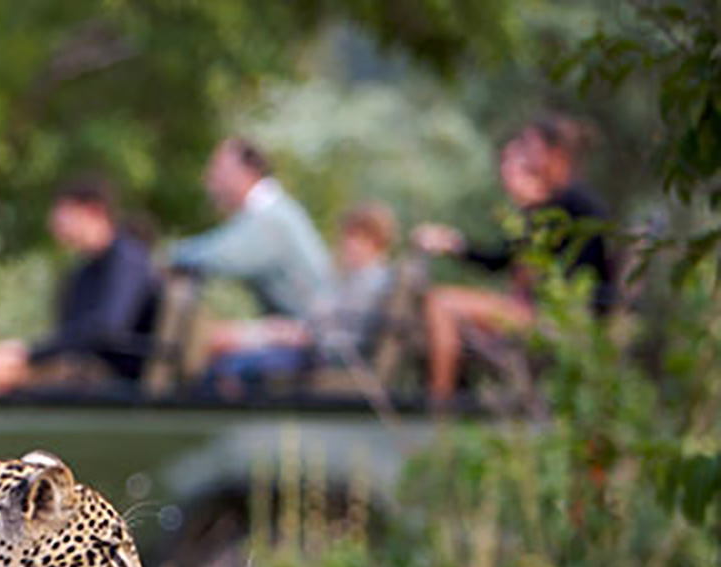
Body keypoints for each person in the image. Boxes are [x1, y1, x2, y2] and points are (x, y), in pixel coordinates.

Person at [412, 128, 614, 401]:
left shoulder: (571, 205)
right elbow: (501, 260)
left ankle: (439, 405)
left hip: (557, 317)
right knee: (445, 306)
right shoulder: (547, 207)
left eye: (529, 152)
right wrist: (454, 243)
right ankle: (454, 396)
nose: (523, 162)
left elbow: (577, 273)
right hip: (541, 311)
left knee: (441, 302)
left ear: (555, 155)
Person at [0, 177, 156, 393]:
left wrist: (25, 354)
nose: (55, 222)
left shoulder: (126, 259)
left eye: (65, 212)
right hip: (81, 366)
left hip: (112, 373)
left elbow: (106, 329)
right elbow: (71, 332)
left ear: (94, 211)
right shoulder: (84, 271)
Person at [201, 200, 397, 393]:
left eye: (357, 238)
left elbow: (339, 339)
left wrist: (303, 336)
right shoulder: (356, 279)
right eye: (347, 237)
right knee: (236, 355)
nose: (348, 245)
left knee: (234, 366)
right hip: (314, 350)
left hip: (321, 359)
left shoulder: (370, 281)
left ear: (376, 242)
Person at [169, 137, 334, 323]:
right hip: (299, 332)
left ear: (247, 171)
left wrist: (171, 254)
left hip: (312, 340)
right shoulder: (268, 210)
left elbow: (220, 256)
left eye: (219, 168)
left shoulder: (271, 217)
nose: (209, 178)